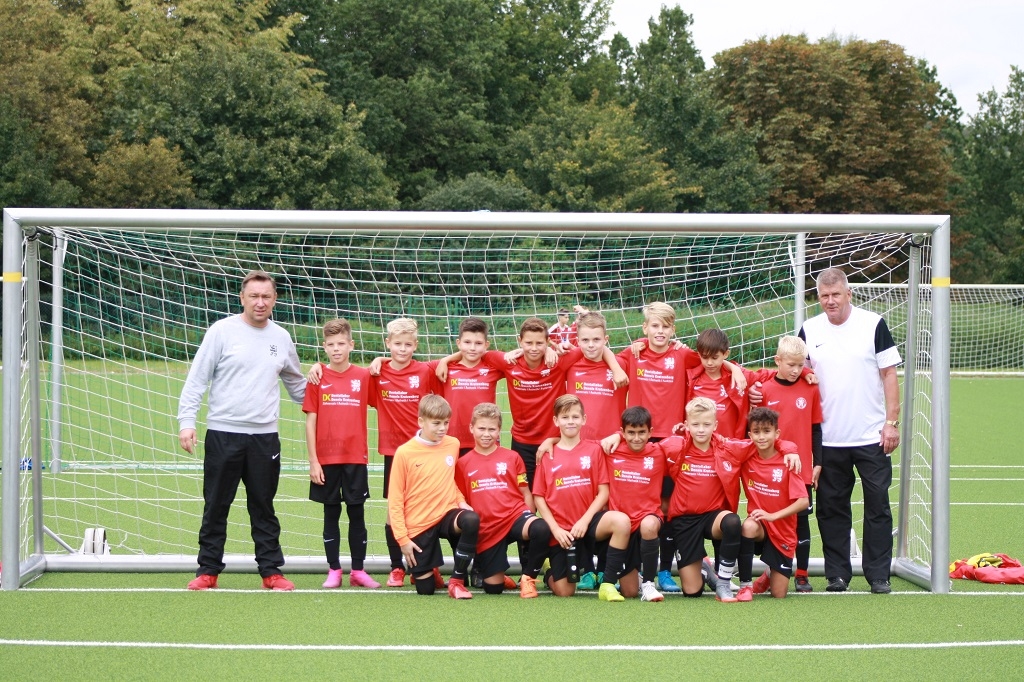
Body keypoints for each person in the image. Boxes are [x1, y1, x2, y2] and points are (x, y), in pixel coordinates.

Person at [177, 270, 305, 591]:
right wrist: (187, 422)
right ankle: (208, 570)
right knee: (216, 505)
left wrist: (333, 387)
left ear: (275, 299)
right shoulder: (221, 331)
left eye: (266, 296)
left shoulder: (281, 337)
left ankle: (271, 572)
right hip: (223, 434)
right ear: (242, 298)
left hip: (264, 438)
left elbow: (298, 386)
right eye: (254, 296)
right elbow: (197, 379)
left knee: (263, 506)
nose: (260, 302)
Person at [310, 317, 436, 588]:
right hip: (388, 453)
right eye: (396, 344)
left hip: (419, 452)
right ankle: (393, 567)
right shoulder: (370, 374)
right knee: (390, 510)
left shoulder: (416, 371)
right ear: (388, 343)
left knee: (425, 508)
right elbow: (313, 416)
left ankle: (427, 566)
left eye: (408, 344)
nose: (402, 349)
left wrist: (380, 358)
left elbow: (450, 365)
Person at [799, 267, 901, 594]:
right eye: (824, 296)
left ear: (848, 294)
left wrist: (891, 423)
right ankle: (837, 574)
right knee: (831, 509)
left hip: (872, 436)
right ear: (818, 297)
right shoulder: (809, 329)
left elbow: (889, 374)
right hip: (828, 439)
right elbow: (798, 375)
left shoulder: (873, 324)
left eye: (836, 295)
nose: (830, 301)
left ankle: (878, 575)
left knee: (878, 505)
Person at [302, 319, 379, 590]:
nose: (336, 349)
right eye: (331, 345)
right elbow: (310, 422)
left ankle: (358, 570)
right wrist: (313, 461)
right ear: (324, 347)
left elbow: (386, 380)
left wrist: (380, 359)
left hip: (355, 457)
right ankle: (334, 569)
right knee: (330, 513)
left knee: (357, 514)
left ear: (351, 345)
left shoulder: (364, 376)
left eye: (341, 344)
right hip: (326, 459)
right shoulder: (317, 377)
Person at [532, 395, 632, 601]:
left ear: (584, 419)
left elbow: (603, 492)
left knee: (621, 521)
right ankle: (549, 570)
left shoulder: (594, 450)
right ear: (556, 421)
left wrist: (584, 521)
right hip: (562, 529)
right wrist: (556, 530)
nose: (570, 421)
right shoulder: (547, 454)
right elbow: (539, 497)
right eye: (565, 417)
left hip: (588, 523)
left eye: (575, 417)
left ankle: (607, 584)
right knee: (565, 592)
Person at [746, 336, 822, 593]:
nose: (796, 370)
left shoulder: (810, 388)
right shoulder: (764, 390)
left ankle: (802, 574)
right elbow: (756, 429)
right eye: (791, 365)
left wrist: (818, 462)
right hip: (769, 470)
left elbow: (816, 429)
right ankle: (771, 569)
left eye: (801, 365)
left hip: (800, 468)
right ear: (777, 360)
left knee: (801, 520)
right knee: (770, 521)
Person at [455, 403, 552, 599]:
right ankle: (498, 574)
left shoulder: (512, 457)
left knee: (541, 529)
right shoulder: (462, 463)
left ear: (499, 430)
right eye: (482, 428)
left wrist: (529, 517)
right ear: (471, 428)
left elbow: (525, 492)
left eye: (492, 429)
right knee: (493, 589)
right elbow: (461, 499)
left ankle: (528, 578)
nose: (486, 434)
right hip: (488, 527)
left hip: (514, 516)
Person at [388, 395, 480, 599]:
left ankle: (457, 581)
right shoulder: (404, 453)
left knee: (471, 519)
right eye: (436, 423)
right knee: (426, 590)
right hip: (419, 523)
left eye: (446, 423)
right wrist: (403, 539)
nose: (442, 428)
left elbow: (450, 479)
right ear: (421, 421)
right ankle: (431, 570)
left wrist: (461, 501)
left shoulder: (453, 444)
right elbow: (395, 500)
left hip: (446, 514)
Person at [734, 408, 810, 601]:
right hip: (760, 526)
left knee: (779, 594)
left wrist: (773, 516)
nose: (761, 437)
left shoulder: (788, 461)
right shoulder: (745, 457)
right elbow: (720, 442)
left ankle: (769, 573)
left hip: (782, 531)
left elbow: (803, 501)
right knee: (748, 526)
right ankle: (745, 586)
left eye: (767, 431)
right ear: (750, 435)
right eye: (756, 432)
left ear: (777, 434)